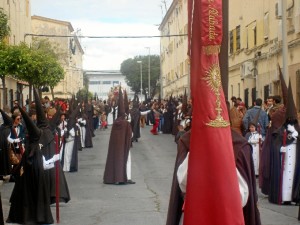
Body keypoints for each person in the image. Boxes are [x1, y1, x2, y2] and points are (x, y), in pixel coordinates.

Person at [6, 106, 60, 224]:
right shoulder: (36, 151)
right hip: (37, 182)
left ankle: (26, 215)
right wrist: (55, 159)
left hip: (28, 183)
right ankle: (38, 216)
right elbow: (44, 165)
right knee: (36, 197)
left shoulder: (29, 152)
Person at [268, 82, 300, 205]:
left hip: (295, 158)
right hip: (285, 158)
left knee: (294, 176)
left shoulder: (297, 129)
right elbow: (276, 140)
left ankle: (294, 196)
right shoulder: (281, 130)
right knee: (286, 176)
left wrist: (296, 137)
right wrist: (280, 148)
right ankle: (284, 197)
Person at [103, 87, 133, 184]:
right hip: (124, 146)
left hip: (115, 147)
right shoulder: (126, 123)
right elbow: (131, 135)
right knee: (127, 160)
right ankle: (127, 177)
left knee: (115, 159)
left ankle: (114, 177)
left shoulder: (116, 123)